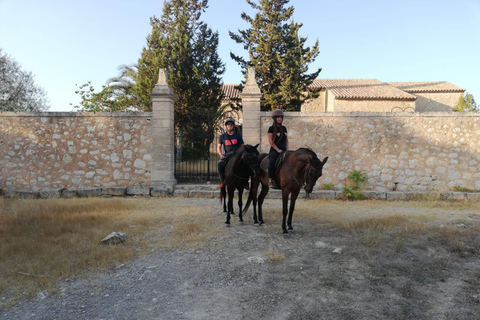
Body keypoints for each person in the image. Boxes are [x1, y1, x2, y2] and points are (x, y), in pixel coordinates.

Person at [217, 118, 249, 190]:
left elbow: (242, 145)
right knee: (219, 164)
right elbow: (219, 147)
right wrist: (221, 155)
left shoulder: (238, 135)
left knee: (247, 163)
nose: (230, 126)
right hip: (227, 154)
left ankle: (246, 182)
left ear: (233, 126)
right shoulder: (222, 136)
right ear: (226, 126)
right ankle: (222, 180)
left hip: (237, 154)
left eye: (231, 124)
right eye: (228, 124)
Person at [267, 109, 289, 188]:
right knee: (272, 162)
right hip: (275, 150)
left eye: (280, 117)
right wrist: (277, 150)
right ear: (274, 119)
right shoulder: (271, 129)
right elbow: (271, 142)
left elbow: (286, 140)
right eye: (277, 117)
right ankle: (271, 179)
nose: (279, 119)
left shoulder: (284, 128)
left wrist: (287, 149)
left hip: (284, 149)